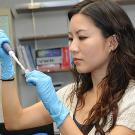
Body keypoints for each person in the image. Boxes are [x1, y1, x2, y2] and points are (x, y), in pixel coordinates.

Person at [0, 0, 135, 134]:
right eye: (71, 38)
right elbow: (15, 121)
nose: (72, 47)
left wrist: (58, 112)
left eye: (82, 37)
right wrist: (7, 69)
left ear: (112, 42)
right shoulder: (72, 94)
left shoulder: (131, 99)